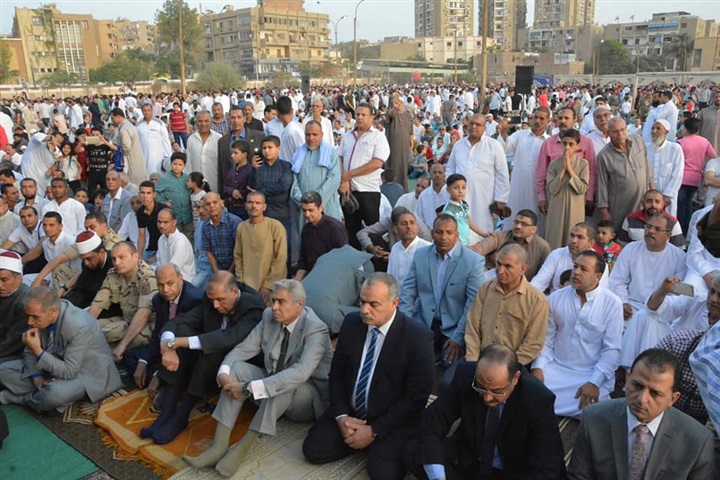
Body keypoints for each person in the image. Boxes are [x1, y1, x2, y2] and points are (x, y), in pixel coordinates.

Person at [183, 280, 333, 475]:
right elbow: (244, 348)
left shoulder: (316, 328)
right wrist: (224, 374)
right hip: (273, 380)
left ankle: (241, 449)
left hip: (306, 398)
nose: (274, 307)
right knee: (237, 368)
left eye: (281, 302)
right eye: (273, 300)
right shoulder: (269, 315)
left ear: (299, 305)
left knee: (283, 384)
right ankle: (219, 446)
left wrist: (247, 388)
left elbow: (300, 373)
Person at [302, 273, 435, 479]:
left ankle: (374, 445)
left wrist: (374, 431)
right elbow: (337, 373)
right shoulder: (352, 323)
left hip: (391, 420)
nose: (365, 310)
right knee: (314, 450)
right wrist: (341, 416)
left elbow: (416, 397)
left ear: (394, 303)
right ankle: (358, 439)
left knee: (383, 474)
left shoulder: (417, 337)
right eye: (362, 302)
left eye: (374, 304)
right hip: (352, 412)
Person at [140, 271, 265, 445]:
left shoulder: (254, 307)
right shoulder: (212, 297)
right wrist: (168, 345)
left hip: (232, 365)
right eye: (212, 299)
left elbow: (229, 338)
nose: (215, 305)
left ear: (235, 292)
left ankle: (182, 415)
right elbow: (181, 320)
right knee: (183, 330)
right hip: (206, 361)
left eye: (220, 300)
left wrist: (180, 342)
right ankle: (167, 410)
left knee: (210, 348)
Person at [416, 345, 567, 480]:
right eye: (481, 387)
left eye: (497, 391)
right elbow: (432, 421)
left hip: (514, 472)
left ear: (515, 378)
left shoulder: (537, 399)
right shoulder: (466, 375)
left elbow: (547, 466)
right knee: (415, 446)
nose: (487, 397)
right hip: (472, 460)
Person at [569, 349, 716, 480]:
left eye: (655, 393)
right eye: (637, 386)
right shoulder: (594, 419)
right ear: (627, 378)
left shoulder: (697, 440)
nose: (642, 399)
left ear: (673, 399)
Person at [0, 286, 123, 414]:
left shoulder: (79, 326)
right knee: (3, 371)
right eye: (28, 316)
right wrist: (36, 376)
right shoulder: (41, 315)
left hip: (85, 373)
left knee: (53, 394)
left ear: (53, 311)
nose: (30, 322)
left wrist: (38, 351)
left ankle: (19, 399)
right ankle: (44, 396)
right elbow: (29, 351)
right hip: (52, 362)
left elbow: (69, 372)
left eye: (35, 317)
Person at [532, 250, 623, 418]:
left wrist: (594, 382)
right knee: (531, 392)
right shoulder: (555, 298)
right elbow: (546, 340)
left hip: (590, 373)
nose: (576, 272)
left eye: (583, 269)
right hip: (555, 369)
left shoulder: (612, 304)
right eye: (575, 267)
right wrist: (538, 368)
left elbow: (611, 350)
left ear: (598, 277)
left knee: (596, 408)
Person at [400, 214, 484, 366]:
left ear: (457, 235)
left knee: (450, 364)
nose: (443, 237)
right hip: (424, 323)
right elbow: (407, 292)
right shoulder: (421, 255)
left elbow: (473, 305)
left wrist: (458, 337)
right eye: (439, 232)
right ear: (432, 234)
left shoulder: (472, 261)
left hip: (455, 327)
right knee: (407, 360)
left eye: (449, 233)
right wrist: (405, 325)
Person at [465, 243, 548, 366]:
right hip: (480, 359)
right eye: (498, 264)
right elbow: (472, 327)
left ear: (523, 269)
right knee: (451, 377)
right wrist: (473, 361)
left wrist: (506, 368)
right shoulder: (486, 289)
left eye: (508, 266)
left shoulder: (537, 300)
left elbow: (533, 344)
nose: (500, 271)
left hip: (512, 365)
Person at [125, 264, 203, 393]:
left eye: (170, 283)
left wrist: (159, 374)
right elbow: (158, 334)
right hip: (165, 347)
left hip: (184, 354)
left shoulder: (194, 300)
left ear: (180, 279)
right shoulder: (159, 299)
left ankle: (161, 381)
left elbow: (189, 346)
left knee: (174, 374)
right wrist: (143, 361)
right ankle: (158, 380)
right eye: (160, 285)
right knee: (133, 357)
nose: (165, 289)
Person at [609, 213, 687, 322]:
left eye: (657, 229)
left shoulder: (680, 257)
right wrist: (622, 302)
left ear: (668, 235)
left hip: (662, 313)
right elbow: (617, 280)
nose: (650, 231)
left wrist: (658, 308)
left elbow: (679, 291)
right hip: (631, 309)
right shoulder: (630, 249)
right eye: (648, 226)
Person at [88, 241, 157, 360]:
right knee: (93, 328)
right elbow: (98, 304)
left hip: (147, 324)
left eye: (122, 257)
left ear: (135, 256)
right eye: (114, 259)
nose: (117, 263)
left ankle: (108, 355)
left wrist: (122, 345)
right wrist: (84, 331)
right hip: (126, 320)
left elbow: (144, 314)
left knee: (137, 339)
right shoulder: (114, 274)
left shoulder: (147, 277)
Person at [446, 113, 509, 242]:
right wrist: (450, 189)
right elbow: (450, 169)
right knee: (460, 229)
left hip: (484, 197)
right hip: (459, 197)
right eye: (472, 123)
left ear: (485, 128)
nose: (474, 126)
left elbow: (502, 174)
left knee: (482, 231)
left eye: (478, 124)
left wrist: (501, 198)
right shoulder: (458, 145)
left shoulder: (494, 145)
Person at [339, 104, 391, 249]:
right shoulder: (347, 136)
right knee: (351, 232)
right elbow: (340, 158)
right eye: (357, 114)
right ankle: (356, 261)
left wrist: (348, 175)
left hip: (369, 192)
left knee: (372, 233)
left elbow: (376, 163)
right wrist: (345, 179)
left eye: (363, 115)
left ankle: (378, 261)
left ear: (371, 117)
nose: (360, 117)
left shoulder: (378, 137)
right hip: (349, 191)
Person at [596, 117, 654, 232]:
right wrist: (604, 211)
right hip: (621, 205)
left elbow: (648, 168)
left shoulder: (638, 140)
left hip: (643, 201)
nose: (620, 134)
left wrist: (653, 193)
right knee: (621, 233)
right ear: (609, 133)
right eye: (615, 131)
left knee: (644, 232)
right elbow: (601, 185)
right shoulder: (604, 156)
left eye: (622, 130)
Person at [233, 191, 287, 304]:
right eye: (250, 202)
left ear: (264, 207)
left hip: (271, 286)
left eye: (258, 203)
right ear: (245, 205)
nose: (254, 206)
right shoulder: (241, 227)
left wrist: (268, 285)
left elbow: (280, 258)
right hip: (247, 287)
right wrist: (241, 282)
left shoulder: (275, 226)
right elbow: (238, 256)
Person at [498, 107, 551, 218]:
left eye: (542, 118)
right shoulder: (520, 134)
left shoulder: (549, 141)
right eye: (535, 117)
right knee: (515, 213)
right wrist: (503, 130)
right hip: (518, 184)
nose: (537, 121)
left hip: (537, 188)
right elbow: (504, 148)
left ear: (548, 121)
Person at [470, 209, 550, 281]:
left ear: (534, 229)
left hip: (523, 287)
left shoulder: (542, 247)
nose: (518, 226)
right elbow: (474, 252)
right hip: (491, 282)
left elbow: (544, 276)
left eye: (524, 224)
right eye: (516, 222)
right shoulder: (498, 237)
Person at [545, 129, 590, 249]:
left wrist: (570, 170)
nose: (567, 147)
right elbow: (552, 189)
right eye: (564, 143)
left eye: (571, 144)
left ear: (578, 146)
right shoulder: (553, 164)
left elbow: (582, 189)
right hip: (557, 208)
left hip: (575, 208)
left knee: (573, 238)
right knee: (554, 239)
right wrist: (562, 171)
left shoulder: (583, 164)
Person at [290, 121, 343, 223]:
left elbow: (334, 179)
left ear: (321, 135)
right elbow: (293, 179)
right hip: (303, 207)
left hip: (325, 206)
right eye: (308, 134)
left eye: (315, 134)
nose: (311, 138)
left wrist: (315, 201)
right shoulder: (298, 153)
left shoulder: (330, 153)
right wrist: (301, 199)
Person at [532, 223, 604, 293]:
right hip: (557, 299)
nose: (573, 241)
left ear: (591, 243)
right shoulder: (556, 254)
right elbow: (539, 282)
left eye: (580, 237)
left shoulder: (598, 262)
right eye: (572, 235)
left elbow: (599, 292)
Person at [294, 191, 348, 281]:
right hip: (312, 276)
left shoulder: (334, 227)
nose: (307, 214)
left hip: (333, 277)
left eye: (311, 210)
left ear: (321, 208)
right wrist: (297, 280)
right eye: (304, 210)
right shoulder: (306, 229)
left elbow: (344, 258)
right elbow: (303, 261)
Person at [678, 117, 717, 234]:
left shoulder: (681, 142)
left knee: (680, 205)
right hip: (695, 179)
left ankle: (680, 231)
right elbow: (714, 156)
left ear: (685, 129)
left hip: (682, 177)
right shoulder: (704, 142)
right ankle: (687, 230)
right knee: (688, 204)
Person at [217, 106, 265, 192]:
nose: (236, 121)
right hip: (230, 192)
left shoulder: (259, 137)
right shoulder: (222, 141)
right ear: (229, 119)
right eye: (233, 118)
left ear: (244, 119)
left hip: (252, 189)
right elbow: (221, 169)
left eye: (239, 117)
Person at [617, 189, 685, 247]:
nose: (653, 205)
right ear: (642, 203)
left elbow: (679, 250)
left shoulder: (672, 222)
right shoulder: (630, 219)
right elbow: (622, 246)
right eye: (649, 201)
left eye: (657, 202)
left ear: (663, 204)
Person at [646, 119, 684, 217]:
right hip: (648, 196)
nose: (654, 131)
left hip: (667, 197)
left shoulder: (675, 148)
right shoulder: (646, 148)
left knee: (666, 222)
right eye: (653, 128)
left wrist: (667, 195)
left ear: (666, 132)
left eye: (658, 128)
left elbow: (678, 174)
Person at [155, 152, 194, 242]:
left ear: (184, 166)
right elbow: (155, 192)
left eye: (180, 165)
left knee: (190, 239)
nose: (177, 167)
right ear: (171, 164)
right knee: (175, 239)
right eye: (175, 164)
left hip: (188, 216)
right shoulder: (165, 179)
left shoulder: (187, 178)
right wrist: (163, 202)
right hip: (174, 216)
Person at [387, 210, 431, 286]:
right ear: (396, 229)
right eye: (404, 224)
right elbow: (390, 277)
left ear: (417, 227)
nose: (409, 227)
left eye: (412, 223)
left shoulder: (427, 248)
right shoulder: (395, 248)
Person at [0, 251, 30, 363]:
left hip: (12, 352)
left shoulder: (25, 302)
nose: (0, 285)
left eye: (4, 280)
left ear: (19, 278)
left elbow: (12, 343)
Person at [441, 174, 488, 245]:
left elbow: (469, 222)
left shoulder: (464, 204)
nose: (460, 191)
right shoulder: (448, 210)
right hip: (456, 245)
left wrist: (484, 235)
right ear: (448, 190)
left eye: (463, 188)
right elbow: (449, 231)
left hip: (466, 243)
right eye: (456, 188)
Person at [156, 208, 196, 282]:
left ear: (174, 222)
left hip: (183, 281)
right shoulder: (161, 239)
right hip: (166, 277)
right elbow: (159, 263)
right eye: (159, 222)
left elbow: (172, 269)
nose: (161, 225)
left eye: (165, 222)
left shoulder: (180, 241)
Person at [110, 107, 147, 185]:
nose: (112, 121)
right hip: (136, 158)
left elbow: (126, 147)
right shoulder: (128, 125)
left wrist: (116, 150)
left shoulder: (124, 129)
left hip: (131, 159)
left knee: (132, 184)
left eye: (113, 118)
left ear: (118, 116)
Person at [186, 111, 221, 192]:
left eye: (206, 121)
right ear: (196, 122)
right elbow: (188, 165)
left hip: (215, 184)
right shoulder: (191, 139)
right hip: (196, 187)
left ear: (211, 121)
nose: (203, 124)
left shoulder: (219, 139)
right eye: (200, 121)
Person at [385, 94, 414, 191]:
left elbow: (411, 130)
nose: (400, 105)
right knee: (394, 165)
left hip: (405, 145)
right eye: (397, 103)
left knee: (404, 166)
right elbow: (391, 115)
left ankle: (403, 187)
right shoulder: (391, 113)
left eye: (401, 103)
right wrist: (395, 108)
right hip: (394, 146)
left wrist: (411, 142)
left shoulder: (408, 115)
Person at [136, 103, 172, 175]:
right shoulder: (138, 125)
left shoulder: (159, 123)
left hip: (158, 155)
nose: (146, 112)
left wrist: (167, 155)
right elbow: (137, 142)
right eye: (144, 110)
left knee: (158, 174)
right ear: (142, 111)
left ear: (152, 111)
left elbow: (165, 139)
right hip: (144, 154)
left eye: (148, 110)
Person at [136, 180, 167, 262]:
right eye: (142, 193)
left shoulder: (163, 209)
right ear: (139, 194)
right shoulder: (140, 212)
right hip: (151, 248)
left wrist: (154, 258)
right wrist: (139, 255)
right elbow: (141, 235)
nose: (145, 196)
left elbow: (169, 235)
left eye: (148, 193)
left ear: (154, 194)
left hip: (166, 248)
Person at [415, 163, 450, 229]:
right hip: (427, 232)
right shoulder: (423, 195)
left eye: (440, 172)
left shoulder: (450, 194)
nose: (437, 175)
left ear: (444, 175)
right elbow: (418, 217)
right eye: (434, 172)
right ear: (430, 174)